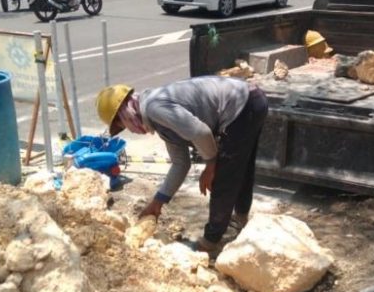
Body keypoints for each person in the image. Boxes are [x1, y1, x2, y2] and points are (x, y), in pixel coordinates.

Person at [96, 76, 268, 254]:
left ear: (123, 115)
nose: (129, 130)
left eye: (121, 125)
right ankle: (241, 220)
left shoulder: (155, 108)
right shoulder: (157, 118)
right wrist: (158, 202)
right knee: (240, 167)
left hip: (244, 105)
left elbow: (200, 132)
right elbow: (180, 163)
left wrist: (211, 165)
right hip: (250, 100)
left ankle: (210, 242)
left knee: (224, 177)